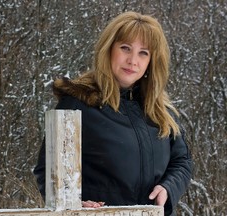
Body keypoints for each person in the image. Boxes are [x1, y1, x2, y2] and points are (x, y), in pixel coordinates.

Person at [33, 11, 193, 216]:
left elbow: (182, 160)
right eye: (125, 48)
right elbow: (47, 170)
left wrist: (168, 188)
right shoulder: (78, 103)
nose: (132, 60)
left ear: (151, 61)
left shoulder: (161, 111)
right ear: (108, 49)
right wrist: (74, 203)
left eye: (143, 52)